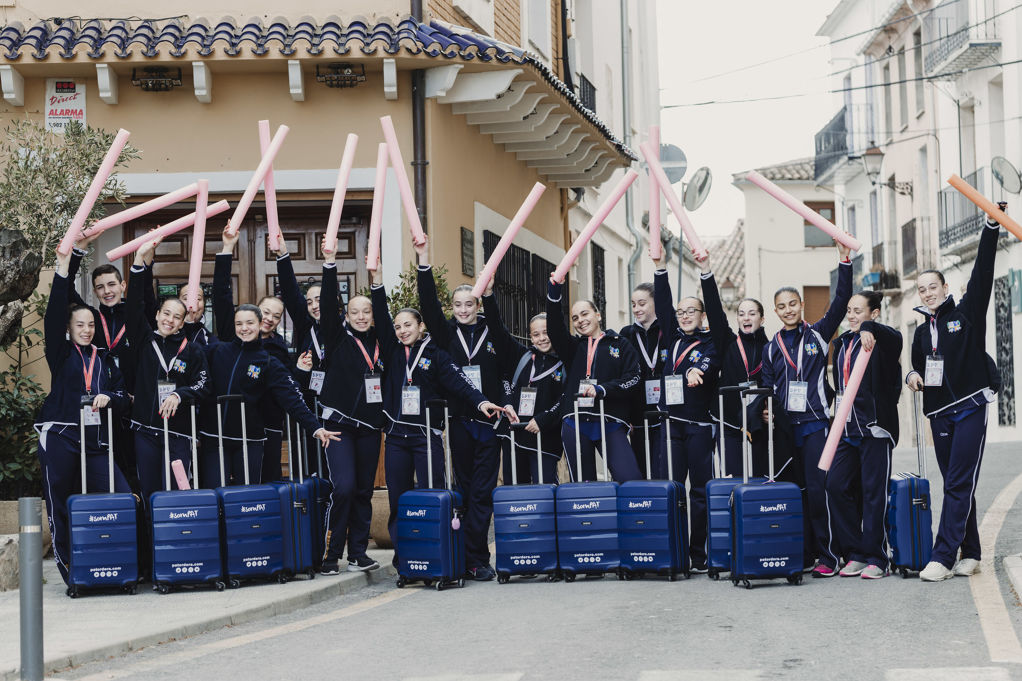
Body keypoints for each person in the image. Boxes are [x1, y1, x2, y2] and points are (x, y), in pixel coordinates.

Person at [370, 281, 505, 572]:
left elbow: (459, 382)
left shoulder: (437, 354)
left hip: (426, 437)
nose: (402, 330)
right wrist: (377, 283)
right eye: (398, 326)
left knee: (433, 499)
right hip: (395, 437)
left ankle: (435, 556)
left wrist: (482, 403)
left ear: (422, 327)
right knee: (399, 501)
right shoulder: (393, 351)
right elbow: (380, 316)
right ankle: (404, 559)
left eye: (408, 325)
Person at [907, 207, 1004, 582]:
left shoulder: (965, 314)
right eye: (922, 289)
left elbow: (982, 272)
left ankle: (943, 556)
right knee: (955, 484)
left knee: (960, 482)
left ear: (945, 289)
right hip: (939, 414)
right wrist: (912, 375)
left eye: (933, 287)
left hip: (970, 407)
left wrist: (991, 227)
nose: (927, 293)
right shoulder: (920, 333)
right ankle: (973, 551)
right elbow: (916, 366)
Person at [415, 237, 515, 581]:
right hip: (459, 422)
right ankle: (468, 556)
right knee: (466, 490)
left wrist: (489, 292)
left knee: (483, 493)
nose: (462, 309)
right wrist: (423, 263)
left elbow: (506, 342)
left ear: (477, 305)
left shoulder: (493, 332)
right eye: (457, 304)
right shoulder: (445, 334)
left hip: (490, 423)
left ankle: (478, 558)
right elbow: (427, 306)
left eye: (469, 304)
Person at [36, 242, 131, 585]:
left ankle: (116, 565)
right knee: (59, 504)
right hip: (61, 435)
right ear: (69, 327)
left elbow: (122, 395)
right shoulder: (61, 354)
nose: (87, 329)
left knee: (121, 495)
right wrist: (67, 265)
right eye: (80, 324)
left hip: (94, 442)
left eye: (91, 324)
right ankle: (70, 572)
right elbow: (54, 310)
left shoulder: (104, 360)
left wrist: (108, 395)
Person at [761, 239, 852, 577]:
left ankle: (829, 556)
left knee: (819, 491)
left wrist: (844, 263)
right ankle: (800, 553)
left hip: (815, 425)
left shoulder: (817, 335)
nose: (787, 310)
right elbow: (767, 390)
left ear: (800, 305)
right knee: (794, 493)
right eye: (781, 306)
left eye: (792, 303)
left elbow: (840, 304)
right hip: (785, 431)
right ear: (776, 311)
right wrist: (765, 410)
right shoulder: (770, 350)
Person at [199, 303, 341, 488]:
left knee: (246, 497)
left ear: (259, 324)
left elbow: (291, 397)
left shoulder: (268, 361)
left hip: (249, 441)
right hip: (214, 438)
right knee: (215, 493)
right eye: (239, 324)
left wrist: (315, 428)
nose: (244, 328)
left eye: (249, 323)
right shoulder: (216, 351)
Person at [313, 237, 387, 575]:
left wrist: (377, 283)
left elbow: (385, 313)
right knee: (341, 488)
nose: (361, 316)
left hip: (370, 428)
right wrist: (330, 265)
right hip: (338, 425)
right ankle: (331, 554)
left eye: (366, 311)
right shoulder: (336, 335)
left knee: (362, 490)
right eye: (354, 311)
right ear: (347, 314)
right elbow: (329, 305)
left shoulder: (381, 339)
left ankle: (358, 552)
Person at [125, 237, 210, 501]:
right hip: (145, 430)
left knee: (180, 489)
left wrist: (180, 394)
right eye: (166, 313)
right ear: (157, 314)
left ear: (183, 323)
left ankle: (180, 538)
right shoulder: (143, 340)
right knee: (150, 490)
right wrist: (139, 262)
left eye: (176, 317)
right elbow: (133, 306)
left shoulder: (192, 349)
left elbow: (204, 385)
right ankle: (153, 541)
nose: (170, 320)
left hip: (179, 433)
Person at [825, 290, 902, 580]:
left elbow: (896, 338)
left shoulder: (882, 341)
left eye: (859, 311)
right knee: (835, 485)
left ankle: (877, 557)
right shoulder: (842, 344)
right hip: (846, 429)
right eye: (850, 310)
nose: (852, 315)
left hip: (875, 430)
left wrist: (870, 328)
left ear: (874, 313)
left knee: (873, 494)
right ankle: (855, 552)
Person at [652, 252, 719, 573]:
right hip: (670, 426)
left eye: (691, 310)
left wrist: (697, 373)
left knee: (700, 492)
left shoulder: (710, 343)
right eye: (681, 312)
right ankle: (675, 552)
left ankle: (698, 554)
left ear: (702, 315)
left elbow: (706, 365)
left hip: (698, 425)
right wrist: (659, 268)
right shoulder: (671, 335)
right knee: (672, 488)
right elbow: (662, 302)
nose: (684, 316)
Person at [545, 275, 642, 483]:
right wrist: (554, 291)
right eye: (575, 318)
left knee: (630, 479)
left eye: (585, 314)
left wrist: (603, 390)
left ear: (598, 315)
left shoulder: (620, 344)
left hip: (610, 420)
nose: (581, 320)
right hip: (576, 421)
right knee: (583, 484)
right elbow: (554, 328)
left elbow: (634, 378)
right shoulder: (572, 347)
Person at [213, 227, 290, 483]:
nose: (269, 318)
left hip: (267, 424)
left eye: (276, 316)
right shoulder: (234, 336)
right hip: (230, 426)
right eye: (265, 312)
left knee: (265, 479)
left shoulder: (279, 350)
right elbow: (222, 297)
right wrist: (226, 251)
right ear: (256, 314)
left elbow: (288, 387)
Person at [482, 282, 565, 486]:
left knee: (544, 492)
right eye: (536, 334)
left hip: (545, 438)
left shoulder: (566, 360)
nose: (542, 338)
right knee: (515, 493)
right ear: (530, 336)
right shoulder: (522, 356)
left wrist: (543, 420)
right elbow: (497, 329)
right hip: (514, 435)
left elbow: (566, 398)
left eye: (546, 333)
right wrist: (488, 295)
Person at [698, 255, 770, 478]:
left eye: (752, 313)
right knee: (733, 479)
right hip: (727, 420)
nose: (745, 318)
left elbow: (774, 384)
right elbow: (714, 309)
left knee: (761, 478)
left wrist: (769, 410)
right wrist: (706, 270)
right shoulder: (727, 342)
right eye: (741, 313)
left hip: (759, 421)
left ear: (762, 318)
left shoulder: (771, 348)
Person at [272, 237, 325, 475]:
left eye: (320, 299)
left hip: (339, 409)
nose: (314, 305)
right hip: (310, 407)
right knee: (310, 467)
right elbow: (292, 295)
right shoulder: (307, 327)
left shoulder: (347, 329)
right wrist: (283, 255)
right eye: (310, 301)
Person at [620, 282, 665, 477]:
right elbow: (622, 376)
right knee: (642, 470)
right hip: (638, 418)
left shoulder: (669, 331)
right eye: (633, 304)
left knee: (664, 470)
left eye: (642, 303)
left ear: (656, 303)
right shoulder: (626, 335)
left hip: (666, 416)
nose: (636, 309)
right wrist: (625, 416)